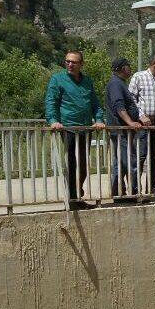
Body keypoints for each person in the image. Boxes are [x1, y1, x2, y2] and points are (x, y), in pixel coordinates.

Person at [45, 50, 106, 208]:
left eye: (74, 62)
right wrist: (53, 121)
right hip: (68, 128)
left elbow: (95, 104)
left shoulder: (87, 81)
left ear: (81, 64)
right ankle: (73, 200)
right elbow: (51, 101)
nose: (70, 64)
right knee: (71, 164)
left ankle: (77, 194)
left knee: (84, 165)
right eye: (67, 61)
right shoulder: (57, 79)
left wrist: (99, 119)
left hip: (85, 128)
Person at [128, 51, 155, 193]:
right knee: (140, 156)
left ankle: (152, 187)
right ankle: (135, 189)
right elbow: (131, 98)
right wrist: (141, 115)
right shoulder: (139, 76)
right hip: (144, 123)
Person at [104, 58, 143, 199]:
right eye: (128, 66)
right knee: (130, 162)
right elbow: (119, 106)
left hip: (121, 129)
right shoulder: (116, 84)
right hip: (121, 130)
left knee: (120, 163)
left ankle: (118, 192)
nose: (130, 68)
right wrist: (130, 122)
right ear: (122, 68)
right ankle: (134, 193)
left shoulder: (119, 83)